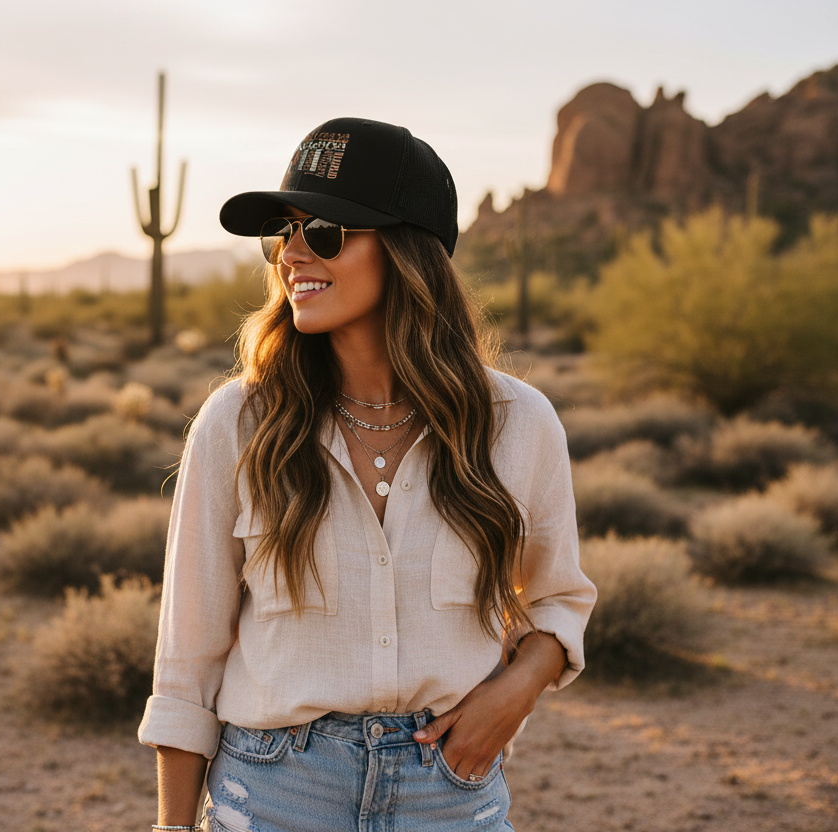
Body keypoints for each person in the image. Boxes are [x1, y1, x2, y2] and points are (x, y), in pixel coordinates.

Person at [137, 117, 596, 832]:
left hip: (449, 786)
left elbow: (559, 598)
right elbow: (187, 659)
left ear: (408, 254)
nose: (292, 253)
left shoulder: (519, 422)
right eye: (282, 232)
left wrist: (517, 693)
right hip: (273, 789)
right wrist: (171, 827)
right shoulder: (238, 422)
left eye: (323, 231)